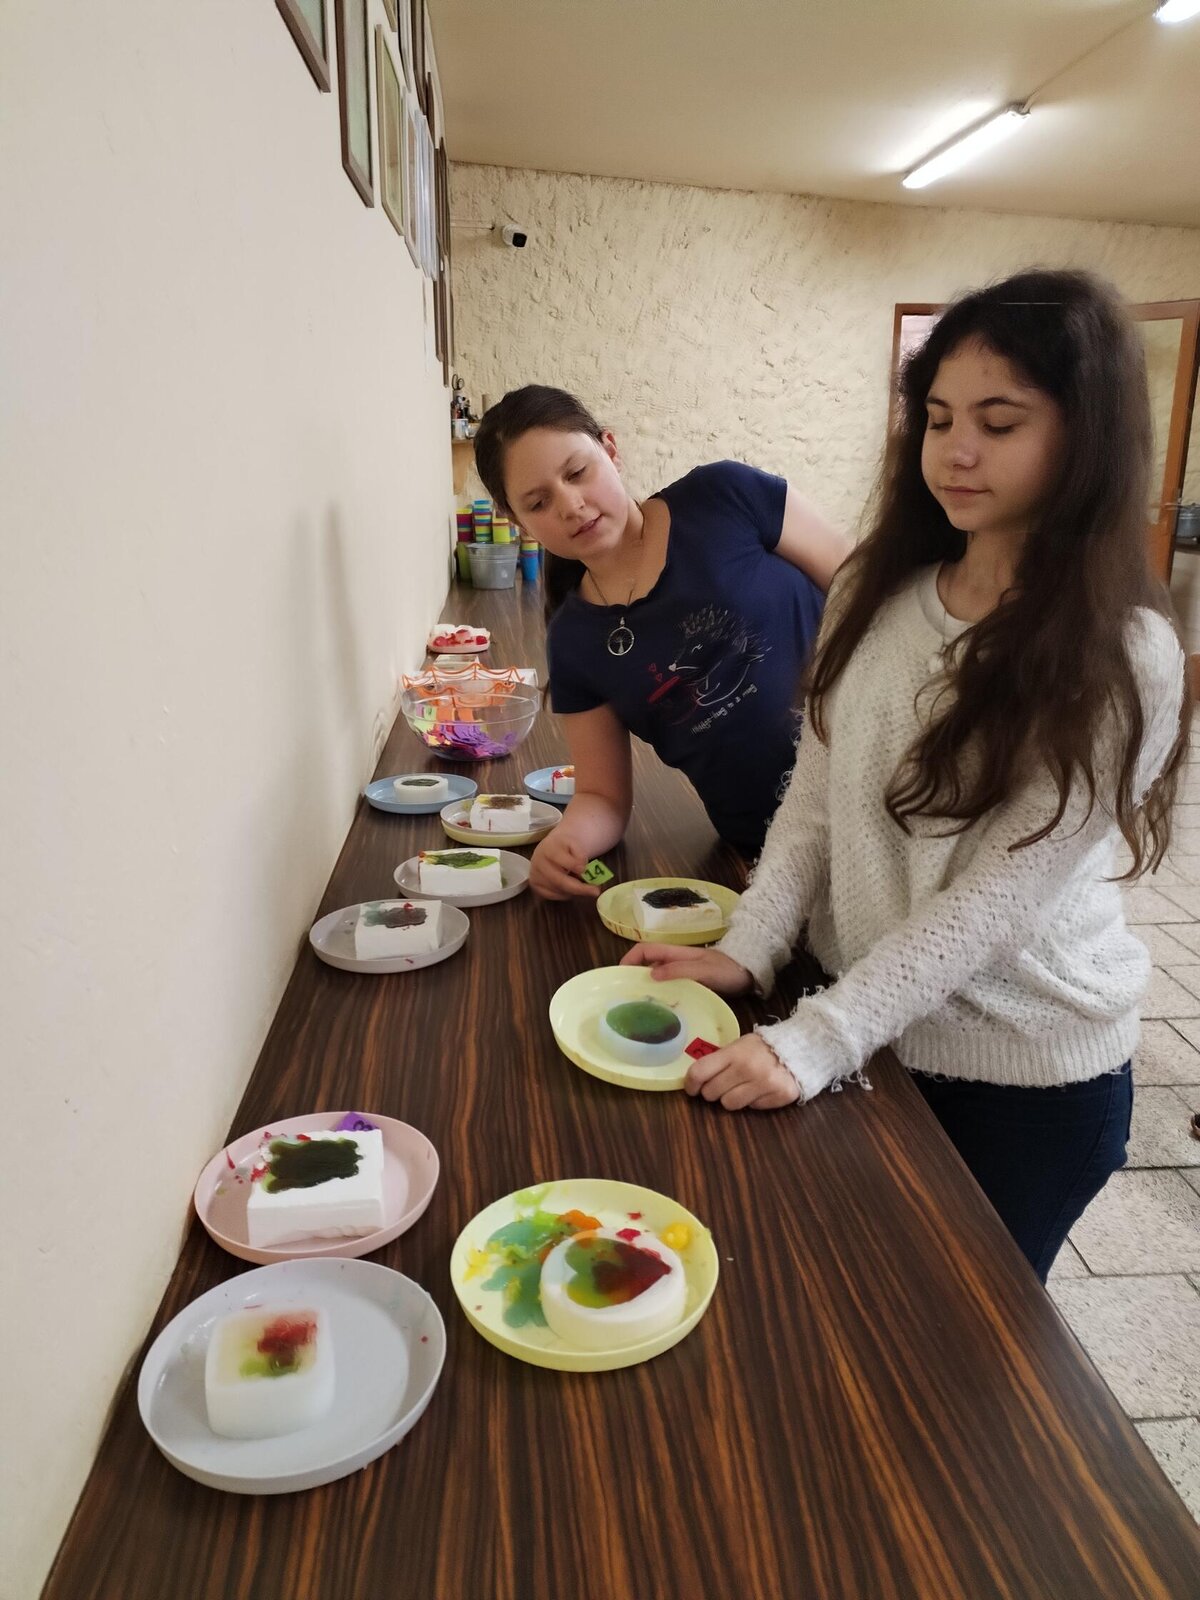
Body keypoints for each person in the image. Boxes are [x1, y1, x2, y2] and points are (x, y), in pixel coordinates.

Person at [623, 269, 1191, 1282]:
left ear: (1086, 439)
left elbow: (999, 899)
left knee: (955, 1349)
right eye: (937, 418)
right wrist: (750, 949)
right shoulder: (872, 589)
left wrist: (816, 1041)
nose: (956, 450)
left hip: (1020, 1074)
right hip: (870, 1025)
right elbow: (814, 800)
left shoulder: (1124, 651)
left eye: (999, 422)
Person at [472, 388, 850, 897]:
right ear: (517, 520)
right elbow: (602, 796)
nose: (571, 506)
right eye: (538, 503)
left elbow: (860, 585)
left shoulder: (724, 496)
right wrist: (568, 841)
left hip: (883, 783)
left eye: (577, 472)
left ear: (610, 450)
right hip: (770, 852)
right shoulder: (573, 641)